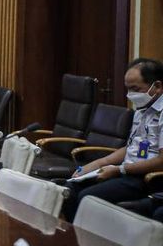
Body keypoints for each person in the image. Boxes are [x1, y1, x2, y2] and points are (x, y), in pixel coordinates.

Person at [62, 58, 163, 220]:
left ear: (157, 87)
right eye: (128, 89)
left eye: (135, 89)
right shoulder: (141, 110)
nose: (130, 95)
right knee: (70, 189)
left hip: (147, 178)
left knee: (88, 199)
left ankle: (92, 242)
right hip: (126, 171)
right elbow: (130, 147)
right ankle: (72, 240)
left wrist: (118, 170)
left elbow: (161, 160)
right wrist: (97, 164)